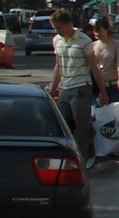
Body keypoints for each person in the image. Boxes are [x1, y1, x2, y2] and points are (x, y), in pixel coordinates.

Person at [46, 10, 109, 167]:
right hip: (65, 88)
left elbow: (94, 68)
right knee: (64, 124)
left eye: (59, 27)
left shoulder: (84, 41)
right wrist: (53, 89)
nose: (57, 31)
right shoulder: (57, 41)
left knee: (81, 124)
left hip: (81, 87)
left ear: (68, 24)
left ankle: (85, 156)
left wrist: (103, 92)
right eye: (55, 28)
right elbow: (58, 66)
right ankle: (68, 157)